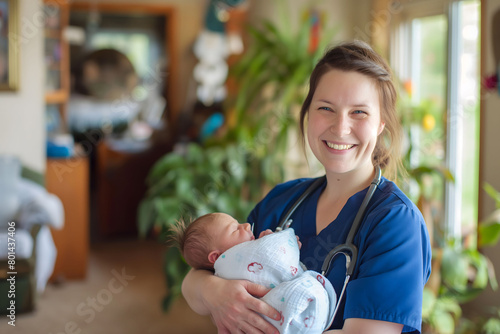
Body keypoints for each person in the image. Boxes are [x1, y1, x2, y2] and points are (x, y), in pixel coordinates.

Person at [181, 40, 432, 334]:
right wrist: (215, 293)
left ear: (381, 124)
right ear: (308, 113)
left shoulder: (396, 223)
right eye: (326, 108)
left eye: (359, 112)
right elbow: (194, 281)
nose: (340, 128)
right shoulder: (283, 201)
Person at [171, 212, 337, 333]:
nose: (247, 225)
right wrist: (280, 241)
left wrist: (269, 242)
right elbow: (190, 281)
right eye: (235, 229)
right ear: (216, 257)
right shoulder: (228, 267)